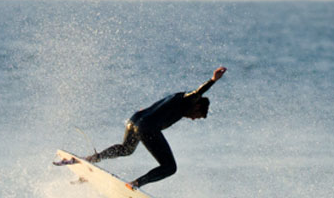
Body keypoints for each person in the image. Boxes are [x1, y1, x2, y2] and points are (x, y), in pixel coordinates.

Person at [56, 66, 227, 190]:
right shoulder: (186, 100)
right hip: (147, 127)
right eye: (197, 116)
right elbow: (197, 92)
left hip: (134, 121)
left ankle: (92, 158)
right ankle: (135, 184)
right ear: (197, 107)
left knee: (126, 149)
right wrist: (212, 80)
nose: (194, 119)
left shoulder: (176, 101)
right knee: (170, 167)